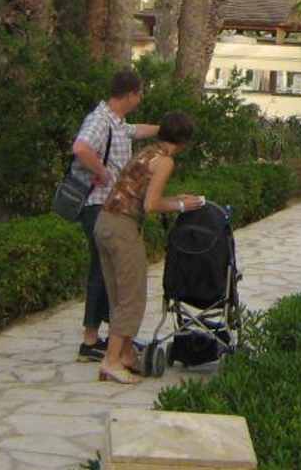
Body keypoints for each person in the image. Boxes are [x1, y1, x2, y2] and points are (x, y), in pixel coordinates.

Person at [93, 111, 205, 384]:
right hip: (123, 228)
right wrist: (182, 205)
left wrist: (176, 198)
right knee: (132, 296)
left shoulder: (147, 152)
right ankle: (111, 361)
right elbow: (151, 205)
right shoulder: (165, 161)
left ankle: (126, 354)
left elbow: (141, 192)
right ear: (183, 142)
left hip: (104, 222)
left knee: (117, 295)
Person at [70, 70, 159, 363]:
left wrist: (166, 129)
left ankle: (112, 336)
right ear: (130, 94)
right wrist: (103, 172)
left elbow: (135, 131)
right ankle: (90, 340)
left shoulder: (116, 122)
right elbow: (81, 147)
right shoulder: (99, 120)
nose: (141, 98)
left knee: (110, 270)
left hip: (111, 206)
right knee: (101, 270)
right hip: (98, 205)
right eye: (140, 93)